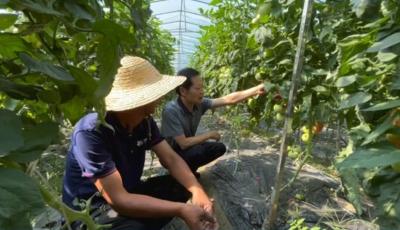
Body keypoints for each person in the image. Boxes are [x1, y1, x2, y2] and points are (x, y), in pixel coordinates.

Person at [62, 57, 217, 230]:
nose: (159, 100)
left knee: (186, 185)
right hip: (92, 209)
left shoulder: (145, 123)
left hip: (130, 192)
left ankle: (146, 217)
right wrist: (182, 209)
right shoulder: (91, 131)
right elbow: (118, 200)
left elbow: (171, 159)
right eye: (155, 94)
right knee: (134, 228)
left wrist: (197, 191)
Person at [161, 67, 266, 173]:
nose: (202, 92)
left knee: (219, 148)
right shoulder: (171, 110)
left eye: (202, 88)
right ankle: (178, 174)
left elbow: (229, 99)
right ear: (183, 91)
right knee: (197, 152)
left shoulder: (199, 103)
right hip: (170, 155)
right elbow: (183, 143)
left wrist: (256, 89)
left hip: (186, 150)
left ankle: (188, 171)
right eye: (198, 89)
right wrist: (209, 135)